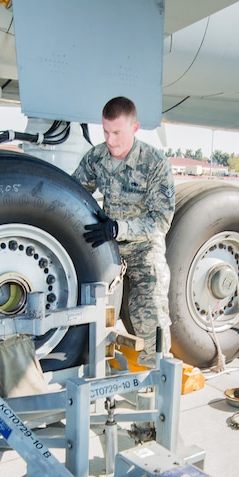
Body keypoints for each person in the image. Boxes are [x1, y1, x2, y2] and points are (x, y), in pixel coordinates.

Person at [73, 96, 175, 368]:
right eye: (106, 131)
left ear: (135, 128)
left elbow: (160, 221)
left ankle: (158, 370)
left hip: (143, 247)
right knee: (85, 300)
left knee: (150, 305)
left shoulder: (154, 163)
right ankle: (93, 365)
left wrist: (120, 228)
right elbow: (72, 194)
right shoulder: (97, 157)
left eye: (117, 132)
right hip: (108, 245)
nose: (110, 140)